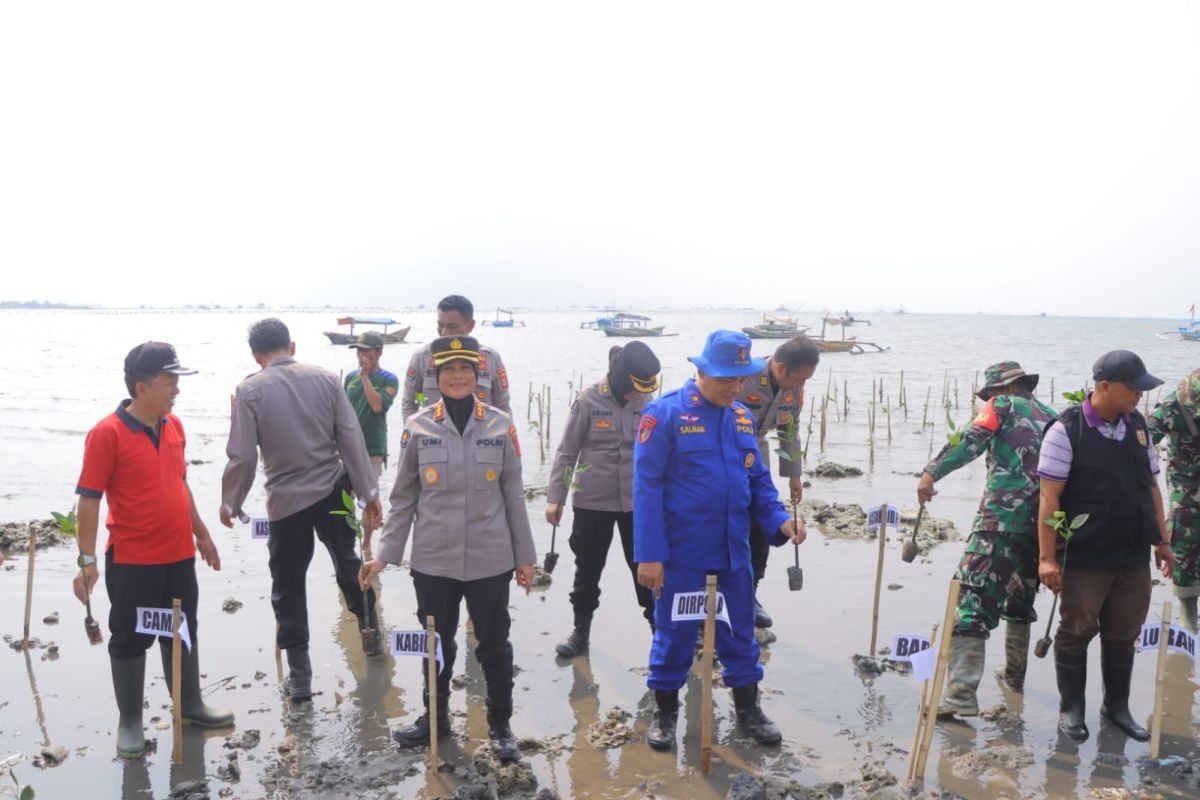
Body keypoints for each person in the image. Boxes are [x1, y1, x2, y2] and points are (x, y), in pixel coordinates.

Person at [362, 335, 536, 762]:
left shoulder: (500, 425)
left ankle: (500, 726)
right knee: (436, 644)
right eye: (448, 370)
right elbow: (404, 498)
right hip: (434, 560)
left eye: (465, 370)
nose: (457, 377)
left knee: (494, 644)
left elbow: (513, 496)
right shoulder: (418, 426)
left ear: (478, 377)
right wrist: (385, 554)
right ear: (435, 378)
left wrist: (525, 558)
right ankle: (434, 720)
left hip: (490, 559)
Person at [634, 330, 804, 751]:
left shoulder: (742, 418)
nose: (734, 387)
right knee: (673, 632)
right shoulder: (665, 415)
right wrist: (650, 556)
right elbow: (646, 488)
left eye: (740, 379)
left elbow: (759, 483)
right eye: (726, 378)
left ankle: (748, 709)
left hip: (733, 551)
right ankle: (667, 711)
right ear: (701, 370)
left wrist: (781, 521)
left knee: (739, 630)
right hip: (682, 554)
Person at [73, 342, 233, 758]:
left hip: (178, 555)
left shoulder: (174, 425)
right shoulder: (106, 433)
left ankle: (190, 705)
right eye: (169, 381)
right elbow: (89, 499)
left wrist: (202, 534)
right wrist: (87, 561)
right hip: (133, 561)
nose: (176, 389)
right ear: (142, 387)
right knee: (130, 639)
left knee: (180, 630)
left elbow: (179, 483)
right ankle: (129, 722)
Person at [219, 318, 383, 702]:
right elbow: (350, 438)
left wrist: (232, 502)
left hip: (286, 501)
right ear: (291, 347)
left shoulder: (248, 390)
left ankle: (301, 676)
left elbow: (242, 456)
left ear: (256, 356)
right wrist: (369, 491)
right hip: (332, 489)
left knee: (288, 584)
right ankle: (370, 633)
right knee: (346, 562)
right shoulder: (327, 379)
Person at [1037, 350, 1175, 743]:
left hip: (1131, 553)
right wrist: (1047, 558)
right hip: (1085, 554)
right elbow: (1049, 498)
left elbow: (1151, 487)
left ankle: (1116, 708)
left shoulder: (1138, 427)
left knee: (1124, 631)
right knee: (1077, 628)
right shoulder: (1066, 430)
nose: (1138, 396)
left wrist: (1163, 542)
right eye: (1133, 388)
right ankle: (1072, 708)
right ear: (1104, 387)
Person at [915, 361, 1057, 717]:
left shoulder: (1001, 407)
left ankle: (961, 695)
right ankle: (1013, 677)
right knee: (1020, 599)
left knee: (971, 601)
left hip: (1000, 521)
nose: (987, 400)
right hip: (1044, 528)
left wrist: (932, 472)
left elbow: (970, 441)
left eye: (990, 394)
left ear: (1003, 390)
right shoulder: (1054, 416)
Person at [547, 342, 662, 658]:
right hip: (592, 501)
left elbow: (658, 452)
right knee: (587, 571)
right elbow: (567, 451)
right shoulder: (588, 399)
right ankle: (580, 633)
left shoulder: (647, 399)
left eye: (642, 389)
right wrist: (554, 498)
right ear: (623, 377)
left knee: (646, 570)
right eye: (633, 388)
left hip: (636, 503)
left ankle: (660, 634)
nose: (635, 395)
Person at [735, 335, 819, 629]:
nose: (800, 386)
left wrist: (794, 474)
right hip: (724, 454)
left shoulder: (794, 391)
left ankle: (750, 597)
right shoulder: (742, 376)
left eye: (806, 380)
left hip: (757, 454)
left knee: (761, 529)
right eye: (797, 379)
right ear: (780, 367)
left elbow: (789, 430)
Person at [401, 295, 511, 420]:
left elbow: (503, 407)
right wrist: (414, 433)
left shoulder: (491, 358)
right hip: (433, 435)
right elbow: (409, 405)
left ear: (470, 325)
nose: (444, 333)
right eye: (440, 326)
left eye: (452, 327)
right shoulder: (422, 357)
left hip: (479, 435)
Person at [1148, 367, 1200, 633]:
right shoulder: (1173, 405)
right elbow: (1143, 440)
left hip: (1186, 496)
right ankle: (1189, 623)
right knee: (1184, 554)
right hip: (1186, 497)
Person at [345, 331, 400, 483]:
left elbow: (377, 406)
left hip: (372, 448)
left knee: (369, 500)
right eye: (358, 350)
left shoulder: (389, 379)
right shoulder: (350, 377)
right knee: (343, 499)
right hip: (349, 447)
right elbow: (343, 410)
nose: (360, 354)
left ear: (379, 352)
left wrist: (364, 376)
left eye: (365, 350)